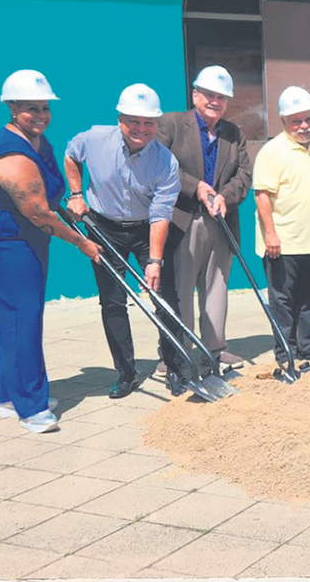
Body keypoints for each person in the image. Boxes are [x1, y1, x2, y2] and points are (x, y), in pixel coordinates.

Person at [0, 70, 102, 434]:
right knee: (21, 317)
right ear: (11, 108)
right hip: (1, 238)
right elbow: (38, 212)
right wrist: (82, 243)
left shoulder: (39, 140)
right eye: (30, 109)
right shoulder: (12, 155)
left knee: (18, 316)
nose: (40, 114)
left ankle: (10, 397)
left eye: (44, 107)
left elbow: (51, 194)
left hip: (27, 235)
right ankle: (31, 407)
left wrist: (73, 202)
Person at [64, 84, 181, 399]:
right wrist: (76, 194)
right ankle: (126, 372)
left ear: (157, 124)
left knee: (165, 298)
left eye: (148, 123)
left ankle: (176, 368)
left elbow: (160, 214)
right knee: (113, 302)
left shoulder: (166, 162)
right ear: (120, 119)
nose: (141, 128)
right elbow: (71, 156)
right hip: (103, 228)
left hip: (145, 230)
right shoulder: (94, 139)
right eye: (134, 121)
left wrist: (154, 261)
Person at [156, 65, 253, 375]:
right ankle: (176, 350)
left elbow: (245, 174)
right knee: (180, 289)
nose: (216, 101)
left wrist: (225, 195)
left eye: (222, 97)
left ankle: (215, 347)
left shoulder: (233, 133)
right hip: (183, 219)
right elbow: (159, 164)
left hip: (220, 220)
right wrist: (195, 187)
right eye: (209, 95)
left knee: (216, 286)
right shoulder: (171, 124)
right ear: (195, 94)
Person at [253, 86, 310, 364]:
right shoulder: (271, 151)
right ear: (283, 122)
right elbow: (261, 195)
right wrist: (270, 235)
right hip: (282, 241)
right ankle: (284, 350)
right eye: (296, 121)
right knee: (283, 300)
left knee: (308, 297)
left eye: (308, 119)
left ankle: (306, 345)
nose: (304, 126)